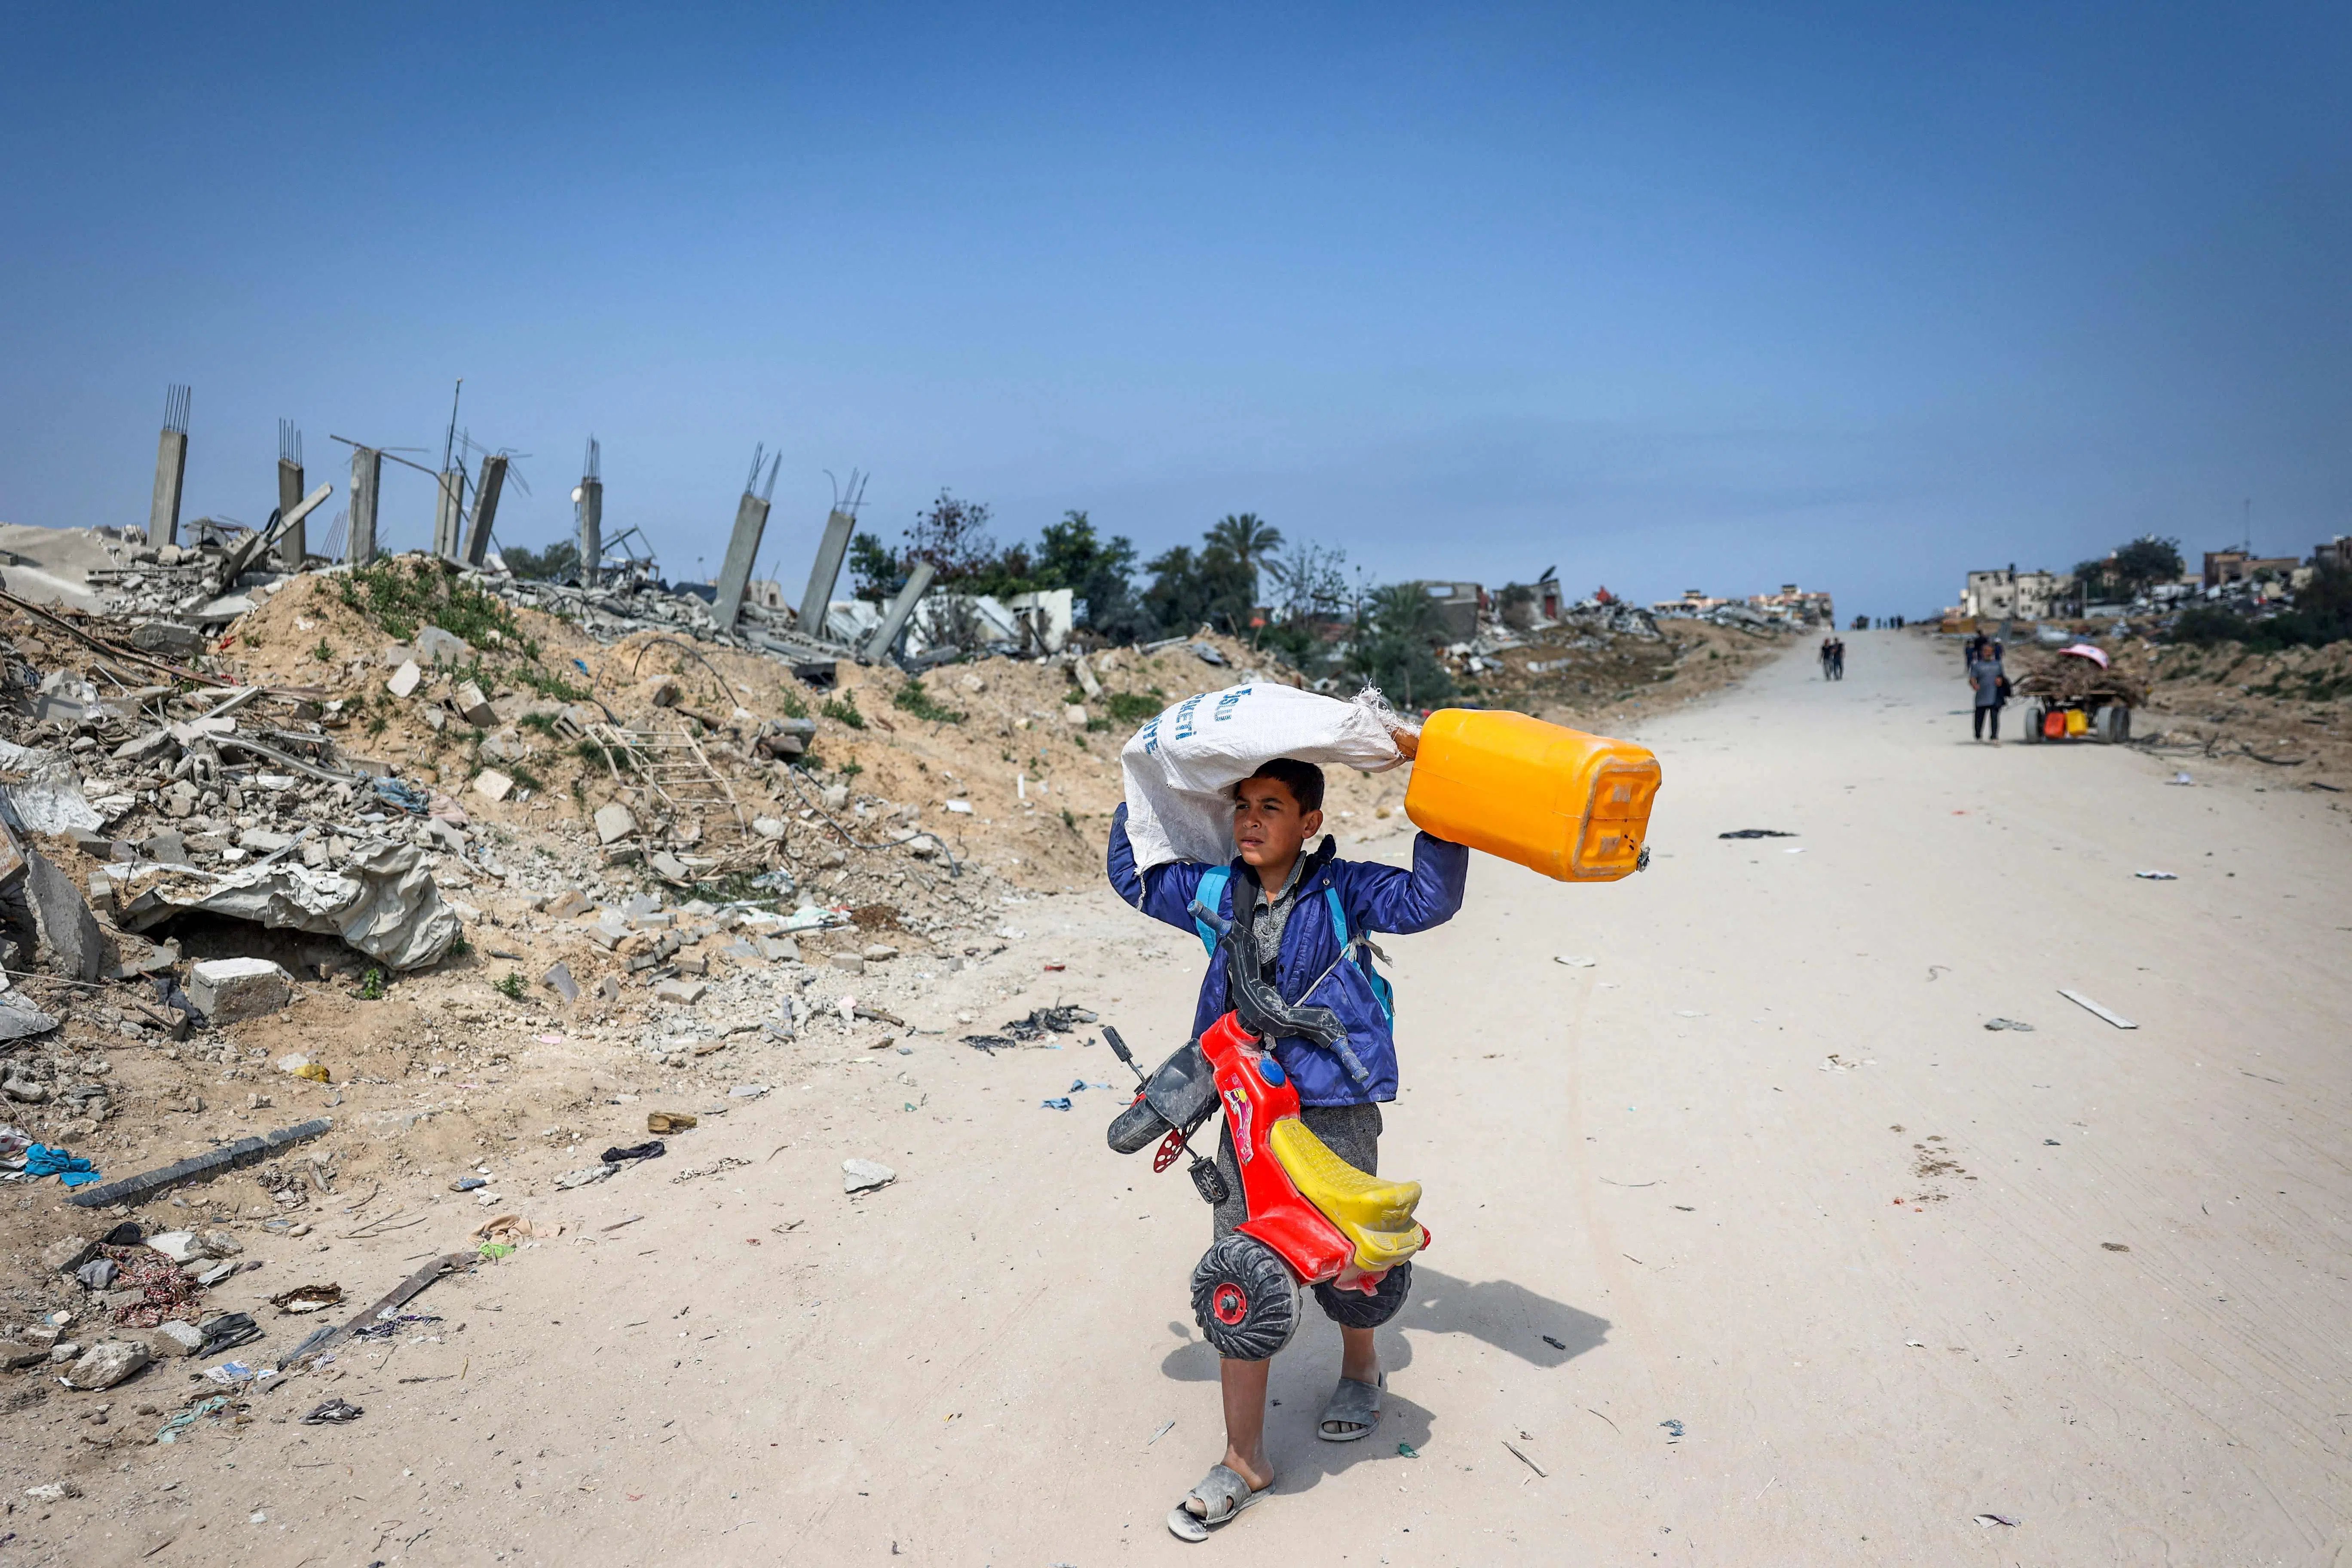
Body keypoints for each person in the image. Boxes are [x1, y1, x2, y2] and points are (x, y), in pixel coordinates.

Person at [1107, 754, 1467, 1542]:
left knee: (1351, 1254)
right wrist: (1142, 774)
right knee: (1239, 1271)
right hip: (1244, 1108)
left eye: (1270, 807)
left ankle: (1360, 1367)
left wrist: (1445, 796)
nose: (1249, 820)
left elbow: (1430, 898)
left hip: (1334, 1104)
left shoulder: (1345, 891)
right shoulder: (1216, 893)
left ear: (1309, 823)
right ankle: (1244, 1461)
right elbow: (1132, 877)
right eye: (1242, 805)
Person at [1967, 644, 2006, 741]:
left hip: (1995, 695)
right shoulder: (1977, 665)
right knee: (1979, 717)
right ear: (1982, 653)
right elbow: (1972, 678)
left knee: (1995, 717)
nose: (1988, 654)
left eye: (1990, 652)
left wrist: (2000, 680)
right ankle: (1978, 735)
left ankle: (1994, 736)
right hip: (1982, 695)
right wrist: (1974, 685)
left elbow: (2002, 676)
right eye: (1986, 651)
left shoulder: (1998, 664)